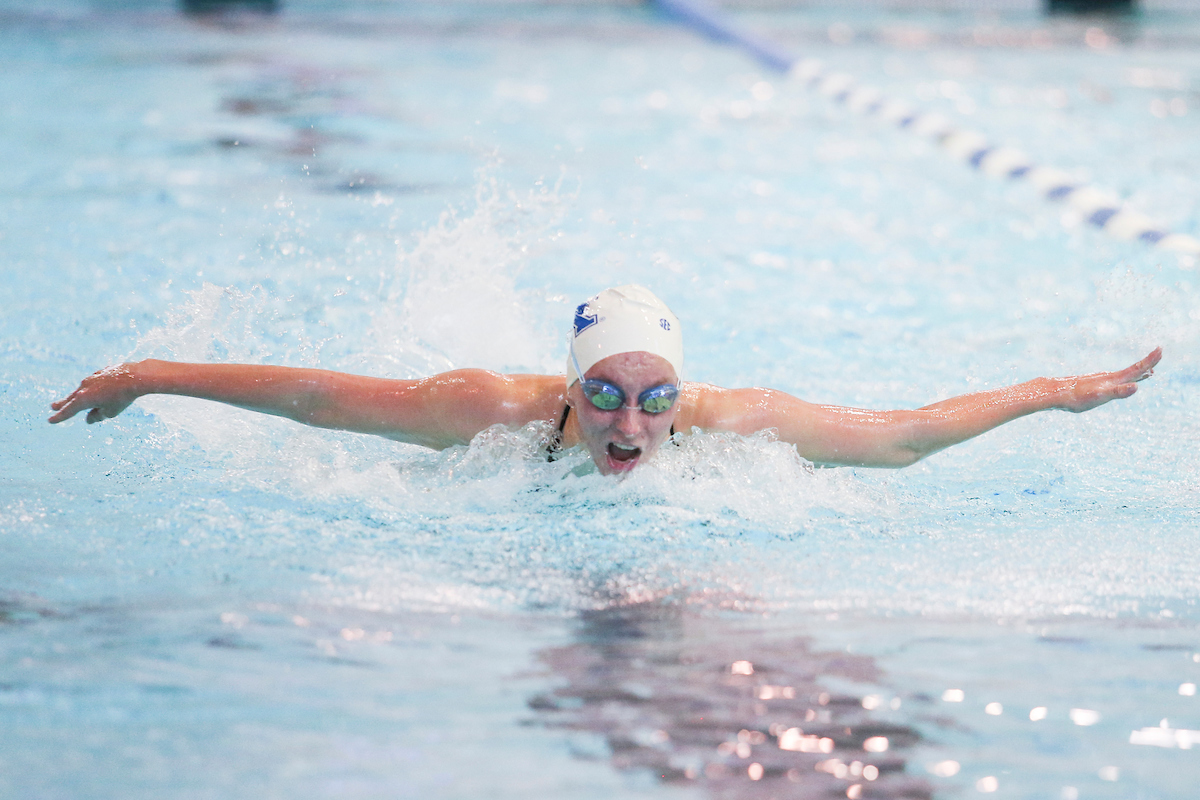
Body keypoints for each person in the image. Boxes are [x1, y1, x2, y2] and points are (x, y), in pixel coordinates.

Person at [50, 285, 1161, 476]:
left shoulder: (732, 425)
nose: (633, 422)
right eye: (609, 396)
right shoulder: (482, 408)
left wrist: (1055, 391)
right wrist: (152, 375)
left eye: (657, 398)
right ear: (571, 393)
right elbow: (316, 397)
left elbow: (907, 434)